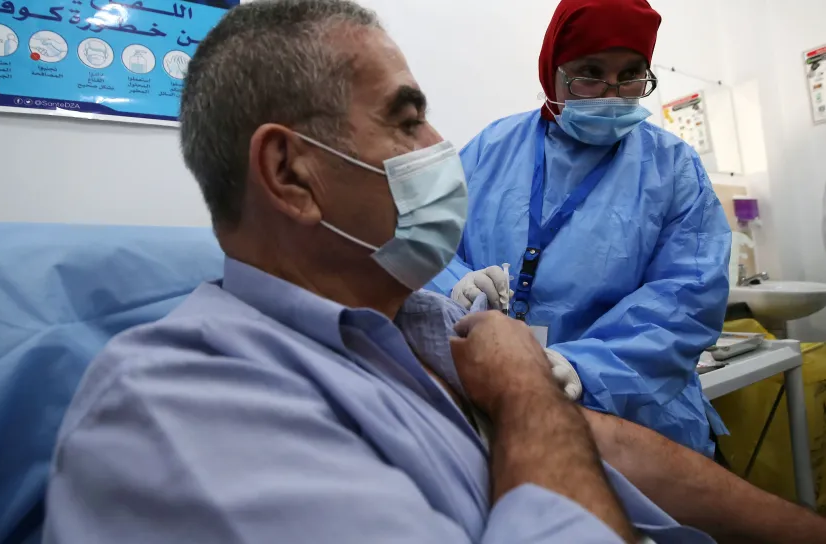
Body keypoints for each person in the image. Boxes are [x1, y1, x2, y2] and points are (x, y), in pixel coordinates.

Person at [45, 1, 826, 543]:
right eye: (407, 118)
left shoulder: (406, 330)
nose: (441, 149)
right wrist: (522, 382)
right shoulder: (179, 410)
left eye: (632, 76)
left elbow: (616, 442)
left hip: (630, 403)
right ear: (289, 173)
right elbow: (538, 413)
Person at [427, 0, 731, 457]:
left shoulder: (672, 168)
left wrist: (582, 368)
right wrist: (454, 285)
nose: (612, 94)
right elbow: (425, 243)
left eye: (631, 74)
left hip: (636, 421)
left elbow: (688, 298)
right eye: (590, 72)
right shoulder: (491, 150)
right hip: (496, 408)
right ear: (551, 69)